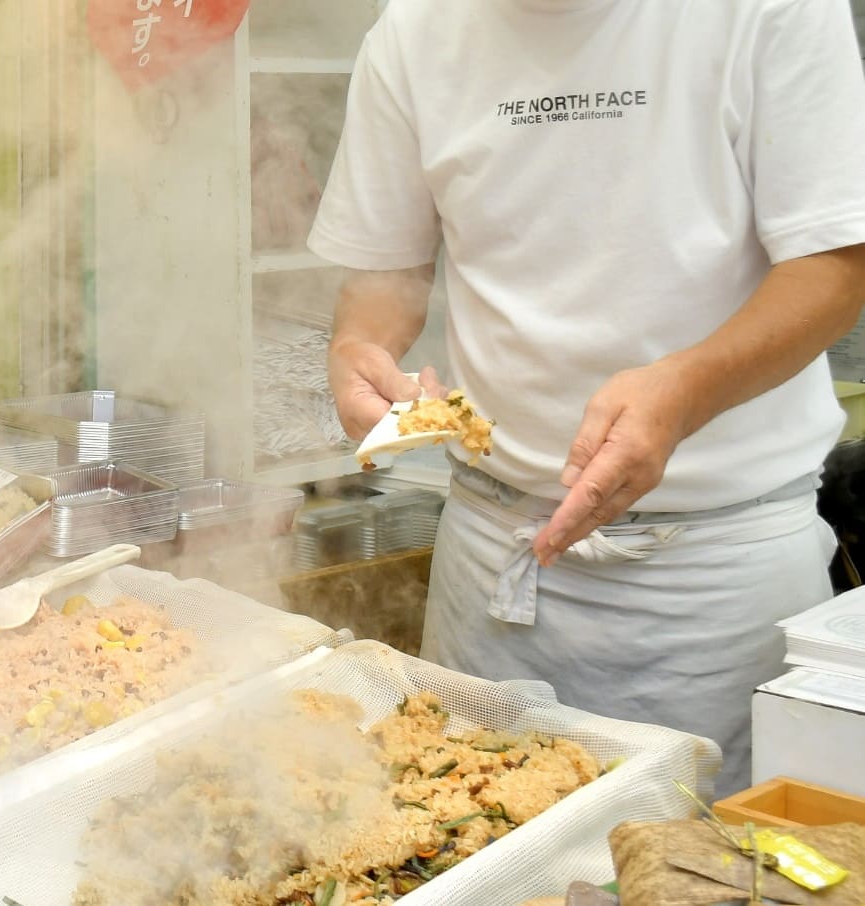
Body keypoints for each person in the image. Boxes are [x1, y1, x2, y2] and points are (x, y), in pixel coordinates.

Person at [307, 0, 865, 798]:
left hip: (714, 580)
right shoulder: (416, 28)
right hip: (493, 564)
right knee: (467, 849)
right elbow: (387, 270)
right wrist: (358, 349)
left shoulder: (768, 10)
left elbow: (835, 268)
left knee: (708, 866)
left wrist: (686, 387)